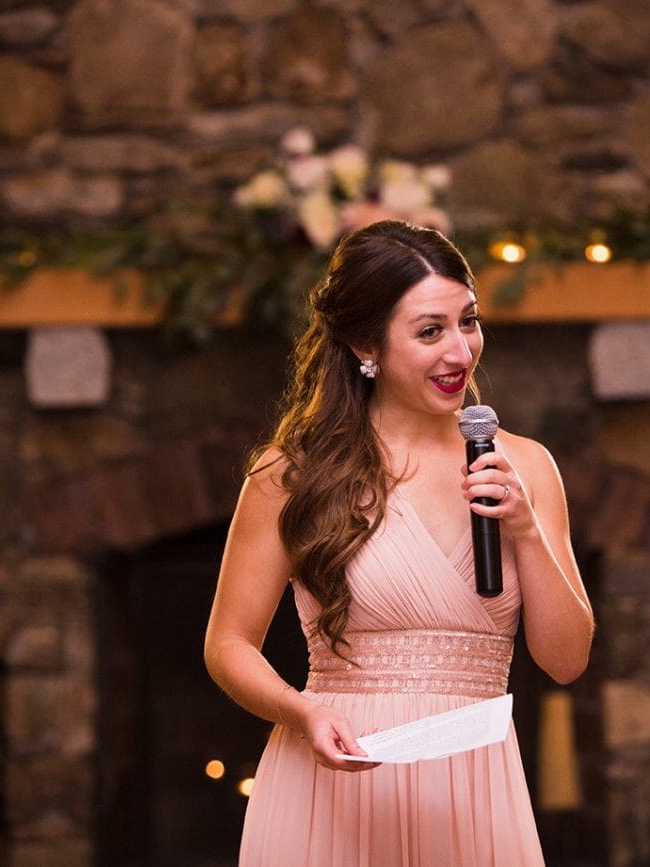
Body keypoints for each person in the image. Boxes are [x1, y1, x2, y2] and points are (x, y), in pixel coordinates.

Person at [204, 219, 594, 865]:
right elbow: (227, 643)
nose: (460, 353)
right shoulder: (290, 474)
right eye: (429, 331)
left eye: (467, 321)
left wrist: (524, 526)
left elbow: (566, 659)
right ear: (367, 344)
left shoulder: (526, 466)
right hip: (330, 790)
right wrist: (301, 712)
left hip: (474, 798)